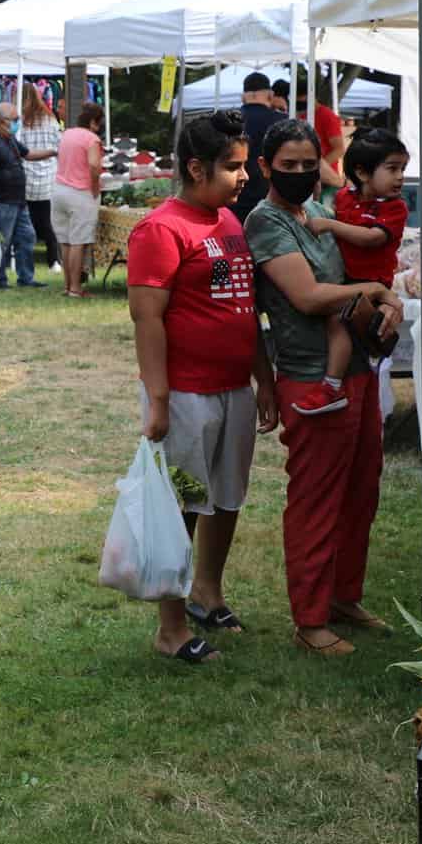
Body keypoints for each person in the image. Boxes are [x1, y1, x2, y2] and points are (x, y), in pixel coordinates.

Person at [244, 119, 403, 656]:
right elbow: (309, 296)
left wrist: (388, 304)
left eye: (308, 165)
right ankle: (309, 619)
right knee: (315, 498)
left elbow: (359, 269)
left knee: (361, 490)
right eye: (287, 165)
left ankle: (343, 597)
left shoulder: (318, 213)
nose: (299, 173)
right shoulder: (266, 223)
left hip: (356, 368)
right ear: (264, 167)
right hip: (311, 377)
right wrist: (373, 288)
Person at [127, 111, 278, 664]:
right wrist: (160, 400)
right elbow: (148, 320)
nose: (244, 177)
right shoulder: (160, 229)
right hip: (186, 395)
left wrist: (263, 376)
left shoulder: (229, 223)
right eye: (232, 167)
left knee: (227, 496)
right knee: (183, 506)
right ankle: (169, 628)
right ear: (195, 167)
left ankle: (206, 594)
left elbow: (246, 307)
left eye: (244, 165)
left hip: (233, 387)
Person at [297, 129, 410, 416]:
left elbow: (371, 238)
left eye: (402, 169)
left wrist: (329, 224)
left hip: (371, 285)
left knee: (339, 322)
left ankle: (331, 386)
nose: (400, 177)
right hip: (344, 278)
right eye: (393, 168)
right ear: (362, 172)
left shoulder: (396, 208)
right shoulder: (345, 197)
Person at [0, 102, 58, 291]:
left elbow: (28, 154)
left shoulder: (9, 139)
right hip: (2, 202)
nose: (17, 123)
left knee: (27, 237)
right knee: (2, 243)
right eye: (14, 120)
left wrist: (52, 152)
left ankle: (26, 277)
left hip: (19, 202)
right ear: (1, 121)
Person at [52, 102, 105, 299]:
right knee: (78, 242)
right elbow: (93, 165)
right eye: (98, 123)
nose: (99, 127)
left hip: (58, 190)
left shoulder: (67, 134)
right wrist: (95, 185)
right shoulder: (92, 139)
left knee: (65, 242)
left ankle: (67, 286)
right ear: (93, 122)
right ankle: (75, 288)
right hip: (80, 193)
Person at [230, 72, 285, 223]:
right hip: (272, 204)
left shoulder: (228, 121)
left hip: (232, 202)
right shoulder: (282, 122)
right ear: (270, 95)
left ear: (243, 96)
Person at [19, 82, 63, 273]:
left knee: (27, 225)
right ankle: (54, 260)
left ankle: (25, 260)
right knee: (49, 224)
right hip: (49, 179)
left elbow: (20, 149)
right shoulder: (51, 121)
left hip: (28, 178)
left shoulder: (22, 123)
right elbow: (60, 146)